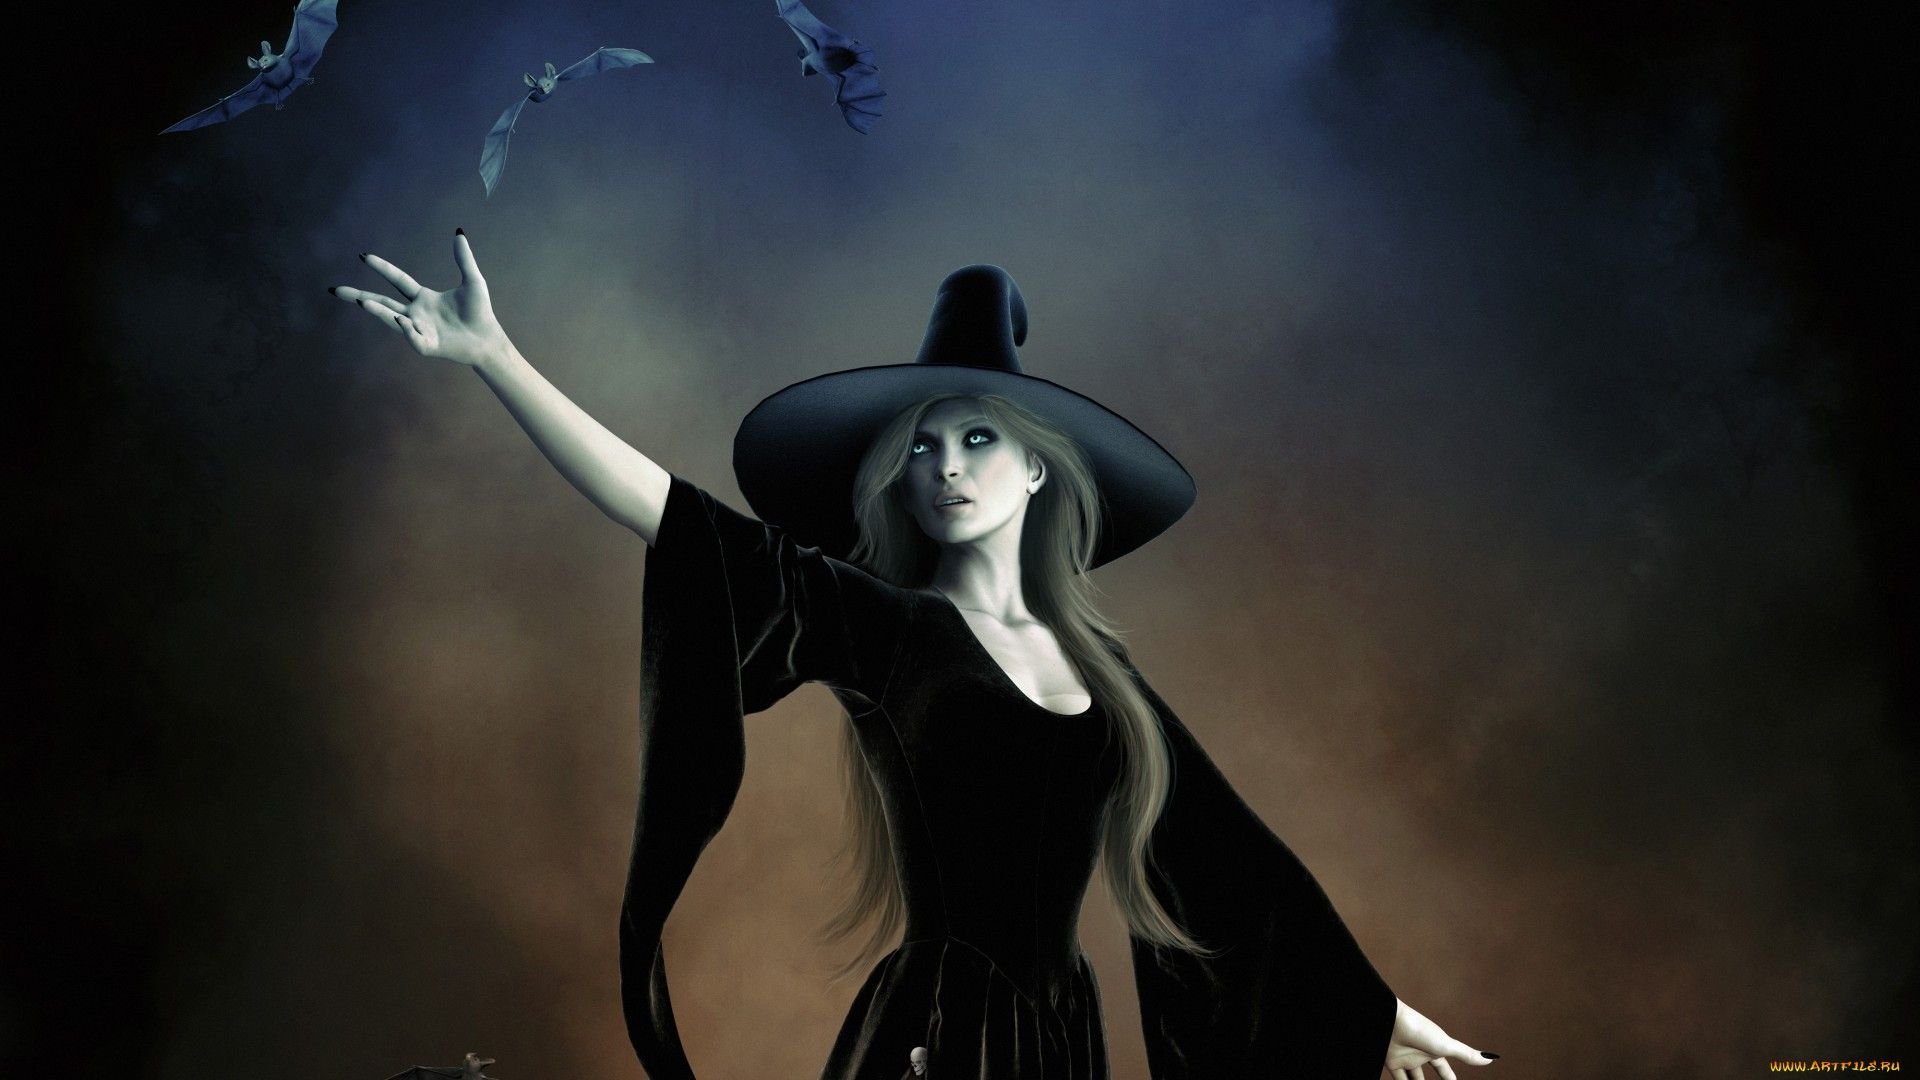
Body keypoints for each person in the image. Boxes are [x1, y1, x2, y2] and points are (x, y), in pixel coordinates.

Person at [332, 233, 1499, 1080]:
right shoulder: (886, 629)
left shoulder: (1102, 676)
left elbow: (1228, 858)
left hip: (1063, 1038)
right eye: (925, 446)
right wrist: (494, 357)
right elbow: (671, 516)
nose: (945, 466)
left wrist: (1370, 1015)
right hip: (942, 1033)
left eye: (978, 438)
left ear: (1035, 468)